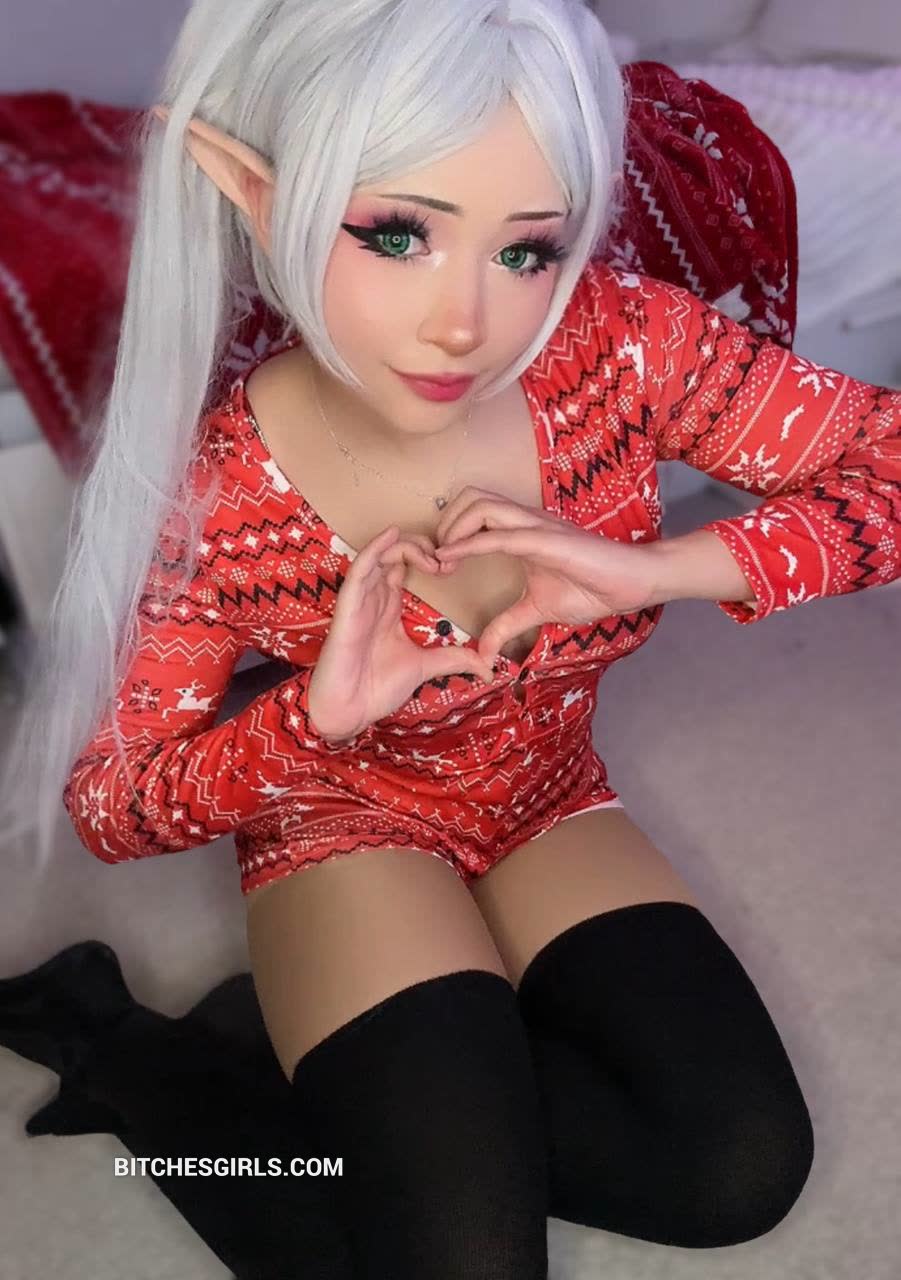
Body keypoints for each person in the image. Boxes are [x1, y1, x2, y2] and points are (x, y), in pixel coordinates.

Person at [3, 0, 899, 1274]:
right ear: (252, 190)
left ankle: (352, 1087)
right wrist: (309, 720)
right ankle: (136, 1061)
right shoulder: (212, 497)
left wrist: (667, 565)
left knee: (733, 1170)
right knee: (459, 1252)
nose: (467, 324)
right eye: (397, 233)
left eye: (526, 248)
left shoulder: (621, 343)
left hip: (546, 796)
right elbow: (114, 803)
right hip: (342, 823)